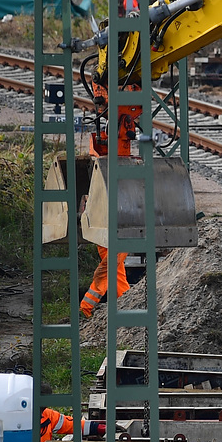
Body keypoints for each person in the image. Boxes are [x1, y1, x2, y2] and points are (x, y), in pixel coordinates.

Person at [79, 85, 138, 318]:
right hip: (110, 227)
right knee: (111, 270)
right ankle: (91, 306)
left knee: (115, 271)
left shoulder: (101, 174)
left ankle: (122, 302)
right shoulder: (103, 174)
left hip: (108, 226)